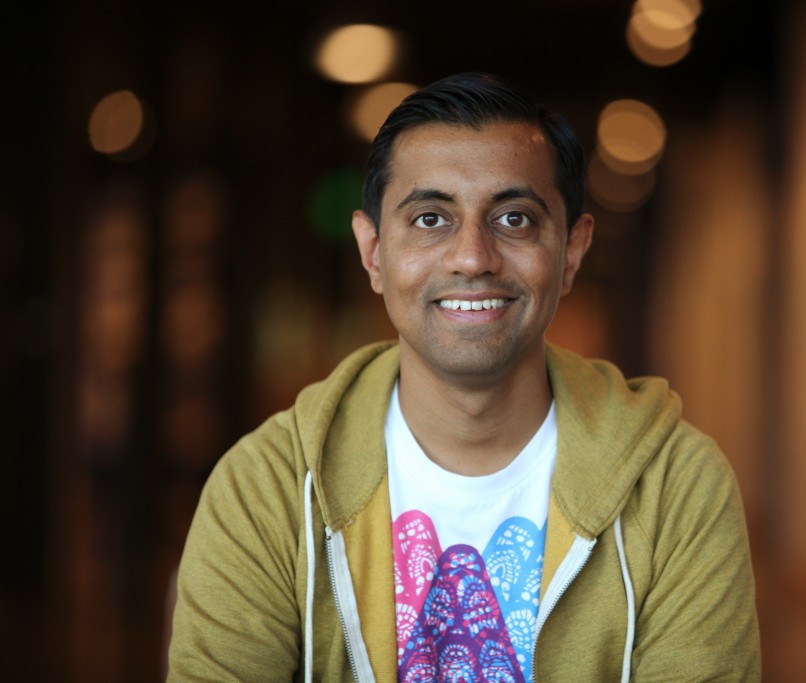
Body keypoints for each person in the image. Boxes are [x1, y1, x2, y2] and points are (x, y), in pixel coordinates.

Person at [168, 72, 760, 682]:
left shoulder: (677, 488)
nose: (473, 257)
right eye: (429, 219)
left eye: (515, 220)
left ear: (572, 252)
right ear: (373, 251)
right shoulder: (267, 488)